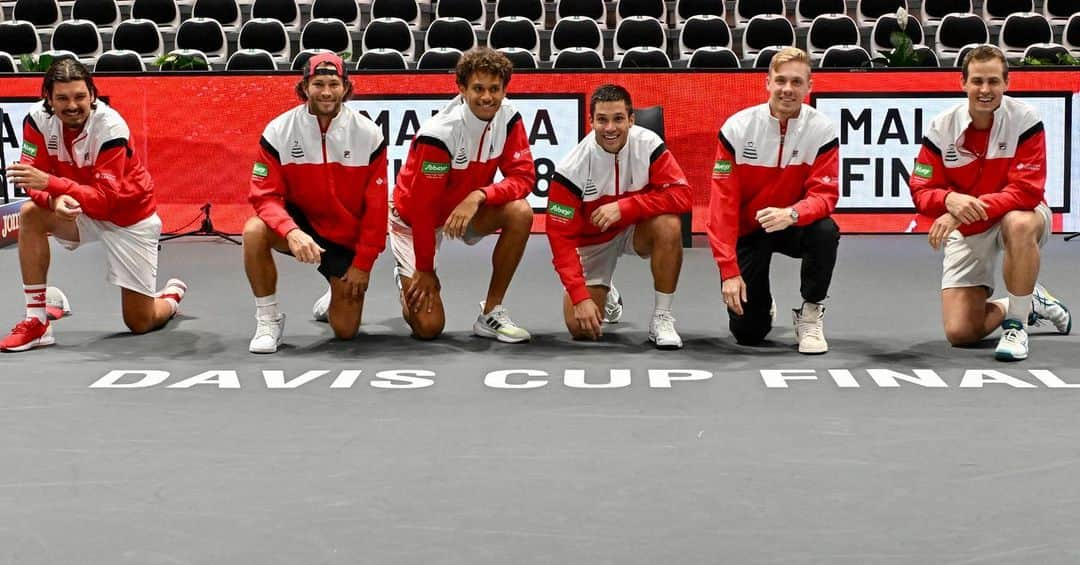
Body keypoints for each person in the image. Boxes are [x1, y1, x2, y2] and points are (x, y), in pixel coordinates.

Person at [1, 59, 186, 352]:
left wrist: (53, 186)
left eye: (79, 97)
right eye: (62, 98)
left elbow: (105, 201)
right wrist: (52, 200)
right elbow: (31, 178)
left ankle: (170, 298)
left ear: (92, 95)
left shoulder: (111, 128)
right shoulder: (36, 120)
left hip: (129, 218)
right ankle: (37, 321)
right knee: (31, 214)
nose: (72, 105)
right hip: (78, 208)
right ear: (48, 98)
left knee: (140, 321)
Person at [909, 44, 1070, 361]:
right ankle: (1026, 299)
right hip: (970, 227)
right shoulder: (941, 127)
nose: (985, 90)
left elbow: (1027, 192)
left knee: (1019, 222)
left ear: (1007, 83)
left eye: (993, 81)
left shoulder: (1025, 120)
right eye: (978, 81)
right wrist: (948, 198)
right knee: (961, 332)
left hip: (1017, 213)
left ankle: (1016, 324)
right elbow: (920, 189)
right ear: (963, 83)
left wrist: (959, 213)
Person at [243, 53, 388, 354]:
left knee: (346, 331)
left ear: (346, 87)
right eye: (318, 83)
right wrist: (291, 231)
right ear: (304, 86)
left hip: (344, 236)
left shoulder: (369, 135)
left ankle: (333, 293)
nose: (326, 92)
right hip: (301, 222)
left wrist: (362, 264)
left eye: (333, 84)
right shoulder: (278, 131)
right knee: (254, 231)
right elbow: (263, 195)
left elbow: (376, 210)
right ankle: (268, 319)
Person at [390, 47, 535, 342]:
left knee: (520, 212)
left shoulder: (508, 117)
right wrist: (425, 269)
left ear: (505, 89)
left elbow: (524, 177)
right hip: (414, 219)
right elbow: (423, 208)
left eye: (495, 89)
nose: (487, 98)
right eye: (478, 88)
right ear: (461, 89)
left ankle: (491, 313)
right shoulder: (439, 133)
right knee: (429, 328)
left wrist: (479, 195)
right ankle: (405, 283)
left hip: (464, 210)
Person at [707, 47, 840, 354]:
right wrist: (729, 270)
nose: (787, 90)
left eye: (796, 82)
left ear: (810, 86)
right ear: (767, 82)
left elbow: (825, 195)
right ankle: (761, 306)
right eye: (780, 81)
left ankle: (810, 313)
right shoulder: (737, 129)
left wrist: (793, 214)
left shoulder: (822, 130)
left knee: (825, 231)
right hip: (749, 230)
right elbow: (721, 205)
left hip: (794, 223)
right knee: (749, 333)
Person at [545, 84, 691, 349]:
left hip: (635, 228)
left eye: (618, 119)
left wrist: (626, 207)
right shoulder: (571, 168)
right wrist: (579, 296)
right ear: (590, 122)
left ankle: (662, 317)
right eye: (602, 120)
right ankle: (606, 288)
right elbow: (559, 236)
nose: (610, 128)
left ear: (631, 119)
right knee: (581, 330)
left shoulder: (648, 145)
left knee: (669, 224)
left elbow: (683, 196)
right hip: (594, 243)